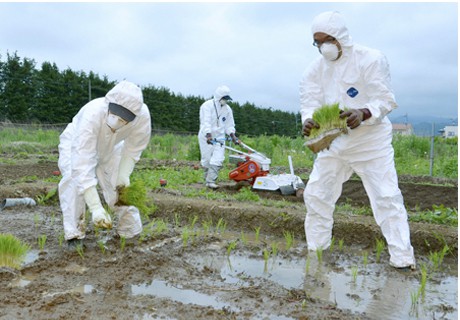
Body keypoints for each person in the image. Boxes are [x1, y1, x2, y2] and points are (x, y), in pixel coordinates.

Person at [299, 11, 415, 270]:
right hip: (335, 143)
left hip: (370, 143)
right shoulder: (314, 71)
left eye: (327, 39)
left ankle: (403, 258)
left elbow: (385, 99)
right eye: (317, 42)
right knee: (317, 194)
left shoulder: (370, 59)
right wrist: (308, 119)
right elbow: (309, 102)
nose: (323, 47)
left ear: (341, 36)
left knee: (386, 197)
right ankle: (316, 250)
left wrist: (363, 112)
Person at [58, 80, 151, 247]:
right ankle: (74, 235)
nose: (118, 120)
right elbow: (82, 162)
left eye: (124, 118)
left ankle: (130, 232)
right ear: (109, 103)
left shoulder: (142, 116)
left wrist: (123, 176)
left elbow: (133, 149)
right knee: (73, 182)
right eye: (115, 114)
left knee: (121, 189)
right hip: (77, 144)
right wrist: (95, 207)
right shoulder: (92, 113)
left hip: (112, 146)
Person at [198, 85, 240, 189]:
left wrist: (233, 135)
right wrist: (208, 135)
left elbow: (229, 124)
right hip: (206, 137)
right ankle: (206, 180)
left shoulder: (227, 109)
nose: (225, 101)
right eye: (224, 98)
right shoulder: (207, 106)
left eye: (227, 99)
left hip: (220, 138)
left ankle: (211, 181)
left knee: (218, 159)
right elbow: (205, 122)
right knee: (207, 160)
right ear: (218, 97)